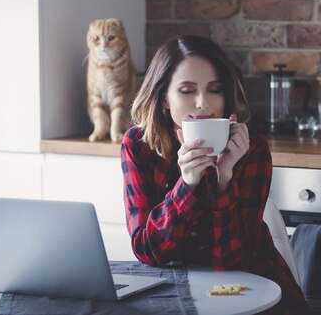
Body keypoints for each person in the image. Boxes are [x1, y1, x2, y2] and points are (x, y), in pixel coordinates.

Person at [121, 35, 308, 315]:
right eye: (186, 90)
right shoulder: (139, 145)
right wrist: (188, 184)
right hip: (176, 290)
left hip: (255, 289)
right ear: (163, 99)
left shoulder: (251, 149)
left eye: (214, 90)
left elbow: (232, 260)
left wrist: (224, 178)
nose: (202, 104)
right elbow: (149, 251)